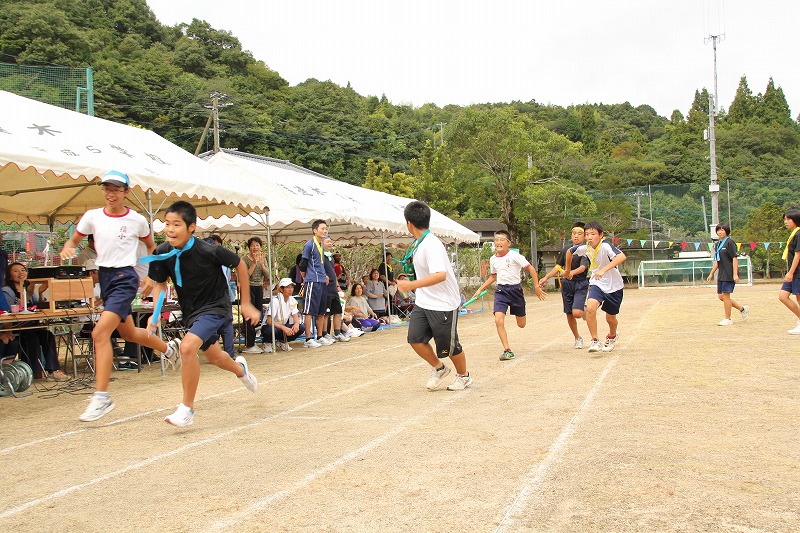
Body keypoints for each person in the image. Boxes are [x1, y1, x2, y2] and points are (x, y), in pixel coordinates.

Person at [60, 170, 179, 422]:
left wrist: (150, 275)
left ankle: (102, 396)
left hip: (125, 278)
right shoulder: (92, 217)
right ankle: (169, 349)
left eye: (116, 189)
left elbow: (151, 247)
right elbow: (73, 240)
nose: (110, 194)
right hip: (105, 278)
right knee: (129, 333)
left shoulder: (137, 220)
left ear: (126, 192)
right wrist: (68, 247)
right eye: (107, 189)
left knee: (99, 333)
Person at [144, 201, 260, 427]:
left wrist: (245, 303)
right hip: (192, 313)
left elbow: (240, 265)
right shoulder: (162, 252)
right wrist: (155, 314)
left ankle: (187, 409)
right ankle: (240, 369)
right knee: (215, 357)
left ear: (191, 227)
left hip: (216, 307)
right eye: (167, 224)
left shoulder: (208, 250)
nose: (170, 229)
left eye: (176, 224)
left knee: (187, 347)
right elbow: (160, 284)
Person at [396, 201, 473, 391]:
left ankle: (464, 376)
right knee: (415, 339)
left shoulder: (432, 244)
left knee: (450, 346)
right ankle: (439, 368)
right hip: (424, 301)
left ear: (409, 224)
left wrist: (410, 285)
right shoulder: (419, 243)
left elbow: (440, 275)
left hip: (443, 304)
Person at [472, 230, 546, 360]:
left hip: (516, 291)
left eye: (502, 239)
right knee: (498, 319)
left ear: (508, 243)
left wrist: (536, 287)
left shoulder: (514, 256)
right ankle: (507, 350)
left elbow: (531, 269)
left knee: (521, 324)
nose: (498, 242)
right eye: (496, 240)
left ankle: (519, 314)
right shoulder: (493, 259)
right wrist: (480, 288)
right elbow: (493, 277)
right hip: (501, 291)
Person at [564, 221, 627, 353]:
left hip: (614, 285)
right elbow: (569, 252)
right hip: (597, 283)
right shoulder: (584, 248)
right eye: (587, 234)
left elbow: (621, 256)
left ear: (601, 235)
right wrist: (568, 270)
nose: (589, 237)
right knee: (590, 309)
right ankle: (595, 340)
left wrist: (603, 270)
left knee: (610, 318)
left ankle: (612, 336)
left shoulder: (605, 246)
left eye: (593, 234)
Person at [3, 262, 69, 381]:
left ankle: (53, 370)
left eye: (23, 270)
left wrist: (40, 292)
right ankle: (33, 372)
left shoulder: (30, 288)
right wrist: (27, 294)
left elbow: (39, 306)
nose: (21, 273)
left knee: (48, 335)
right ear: (9, 276)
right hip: (16, 327)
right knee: (31, 338)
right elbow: (10, 311)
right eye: (16, 271)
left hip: (32, 324)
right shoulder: (7, 291)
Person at [539, 222, 590, 348]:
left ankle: (583, 310)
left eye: (579, 234)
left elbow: (583, 267)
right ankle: (577, 337)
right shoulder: (566, 249)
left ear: (584, 236)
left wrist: (571, 272)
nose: (576, 236)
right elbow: (558, 266)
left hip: (580, 283)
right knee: (569, 313)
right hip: (567, 284)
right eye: (574, 234)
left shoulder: (585, 250)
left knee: (577, 313)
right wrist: (546, 277)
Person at [706, 223, 749, 326]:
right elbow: (717, 261)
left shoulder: (730, 243)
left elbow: (734, 258)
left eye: (722, 230)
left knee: (725, 296)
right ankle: (742, 309)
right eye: (718, 230)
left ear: (727, 231)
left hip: (729, 273)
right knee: (721, 296)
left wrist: (735, 274)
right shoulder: (717, 244)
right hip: (721, 273)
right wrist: (711, 273)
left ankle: (728, 319)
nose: (720, 232)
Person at [299, 219, 331, 348]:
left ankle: (320, 336)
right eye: (322, 228)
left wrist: (325, 275)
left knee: (321, 311)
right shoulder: (309, 244)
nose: (325, 231)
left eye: (325, 228)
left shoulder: (321, 244)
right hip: (312, 281)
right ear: (315, 230)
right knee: (309, 311)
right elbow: (303, 264)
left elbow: (319, 263)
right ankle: (308, 339)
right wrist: (306, 278)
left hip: (322, 281)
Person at [263, 278, 306, 351]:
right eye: (287, 287)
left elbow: (296, 317)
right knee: (271, 330)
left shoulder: (292, 300)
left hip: (282, 326)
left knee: (301, 327)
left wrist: (296, 324)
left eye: (292, 287)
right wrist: (283, 328)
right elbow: (269, 321)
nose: (290, 290)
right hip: (270, 326)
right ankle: (267, 342)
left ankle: (282, 341)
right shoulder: (275, 301)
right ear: (281, 289)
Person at [242, 236, 269, 354]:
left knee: (258, 314)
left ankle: (255, 342)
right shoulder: (244, 259)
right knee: (249, 316)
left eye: (257, 245)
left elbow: (268, 276)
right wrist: (253, 263)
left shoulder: (262, 259)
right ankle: (249, 345)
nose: (255, 247)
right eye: (252, 245)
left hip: (258, 288)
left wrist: (262, 264)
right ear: (249, 248)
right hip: (248, 288)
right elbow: (245, 276)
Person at [323, 236, 350, 343]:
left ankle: (337, 333)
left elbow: (333, 274)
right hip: (325, 289)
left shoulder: (331, 258)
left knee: (338, 311)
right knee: (326, 313)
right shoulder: (320, 256)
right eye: (327, 241)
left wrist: (338, 287)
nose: (330, 243)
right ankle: (324, 334)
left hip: (334, 289)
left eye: (331, 241)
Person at [779, 208, 800, 334]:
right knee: (783, 296)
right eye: (785, 219)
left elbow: (798, 255)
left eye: (788, 219)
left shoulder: (798, 235)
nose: (785, 222)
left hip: (797, 272)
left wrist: (791, 272)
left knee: (798, 298)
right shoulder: (793, 235)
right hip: (794, 272)